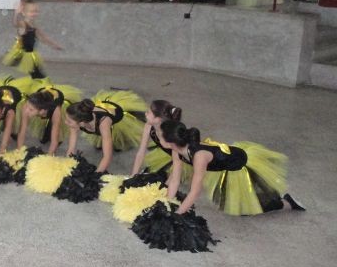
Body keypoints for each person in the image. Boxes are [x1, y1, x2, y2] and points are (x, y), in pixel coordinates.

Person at [159, 120, 305, 215]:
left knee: (245, 208)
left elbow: (195, 191)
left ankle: (286, 203)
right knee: (235, 205)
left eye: (160, 135)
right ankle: (267, 198)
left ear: (170, 142)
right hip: (224, 168)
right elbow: (175, 180)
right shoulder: (177, 150)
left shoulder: (199, 157)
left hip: (240, 165)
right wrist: (167, 204)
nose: (158, 136)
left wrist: (178, 213)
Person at [63, 91, 147, 173]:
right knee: (101, 143)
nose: (65, 122)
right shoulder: (77, 118)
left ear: (82, 122)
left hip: (117, 116)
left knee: (118, 143)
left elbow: (107, 156)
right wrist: (66, 166)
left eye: (69, 121)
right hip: (97, 116)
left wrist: (95, 176)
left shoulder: (104, 124)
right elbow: (71, 148)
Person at [3, 0, 63, 79]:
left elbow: (43, 37)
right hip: (26, 55)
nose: (34, 14)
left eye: (36, 11)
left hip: (32, 55)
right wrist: (16, 14)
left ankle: (38, 81)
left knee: (36, 74)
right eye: (31, 11)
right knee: (38, 75)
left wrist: (54, 45)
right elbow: (15, 24)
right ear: (24, 13)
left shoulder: (33, 24)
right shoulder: (23, 23)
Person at [17, 84, 83, 156]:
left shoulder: (56, 111)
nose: (26, 111)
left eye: (31, 110)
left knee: (55, 136)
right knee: (43, 139)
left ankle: (48, 128)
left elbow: (54, 141)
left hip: (54, 105)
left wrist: (48, 159)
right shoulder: (28, 106)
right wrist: (19, 152)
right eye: (27, 106)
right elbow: (22, 131)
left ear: (42, 111)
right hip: (44, 98)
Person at [130, 99, 183, 176]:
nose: (145, 114)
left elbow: (178, 162)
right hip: (171, 155)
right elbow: (141, 151)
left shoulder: (171, 136)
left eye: (148, 112)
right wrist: (133, 175)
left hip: (183, 159)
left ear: (158, 119)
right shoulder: (149, 126)